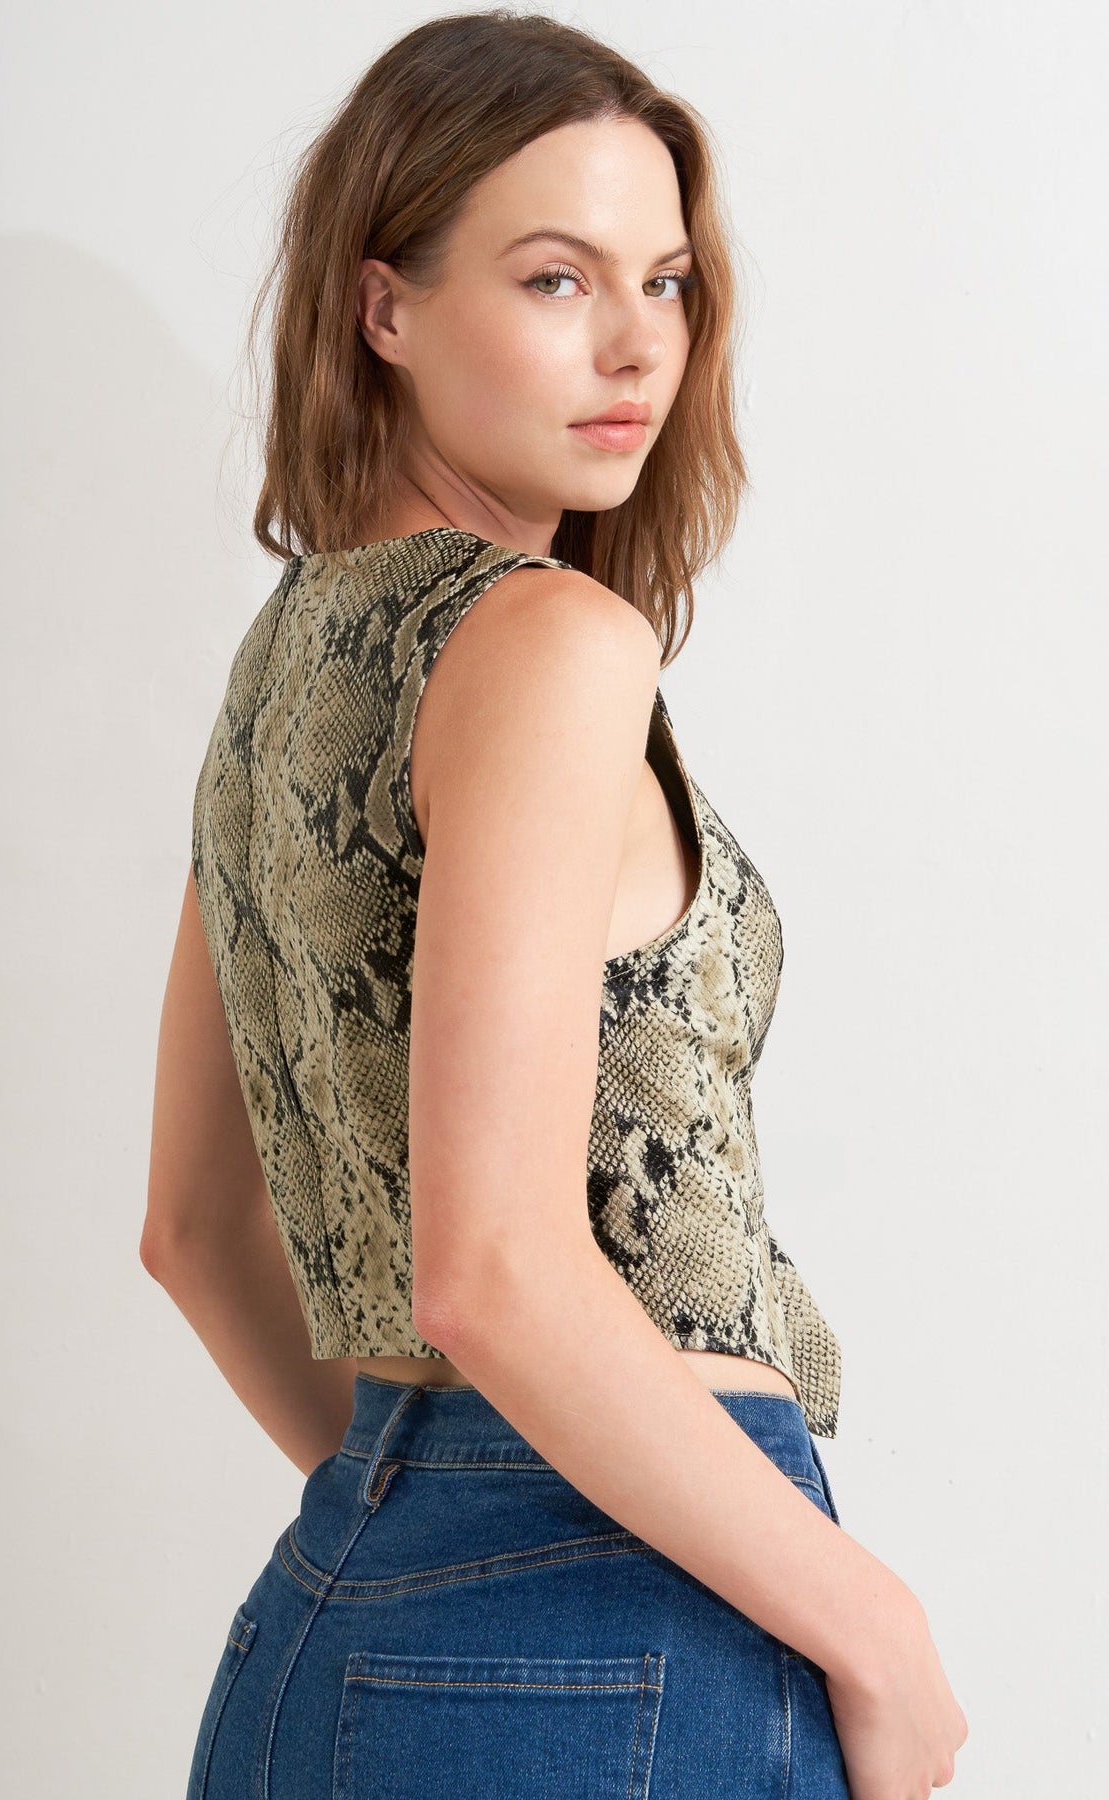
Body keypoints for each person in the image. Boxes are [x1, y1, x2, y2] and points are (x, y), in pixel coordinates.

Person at [142, 12, 968, 1797]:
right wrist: (873, 1632)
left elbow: (192, 1231)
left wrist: (423, 1515)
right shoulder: (545, 641)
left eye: (664, 282)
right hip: (624, 1633)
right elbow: (495, 1269)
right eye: (552, 279)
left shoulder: (281, 671)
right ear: (383, 308)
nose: (635, 343)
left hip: (320, 1633)